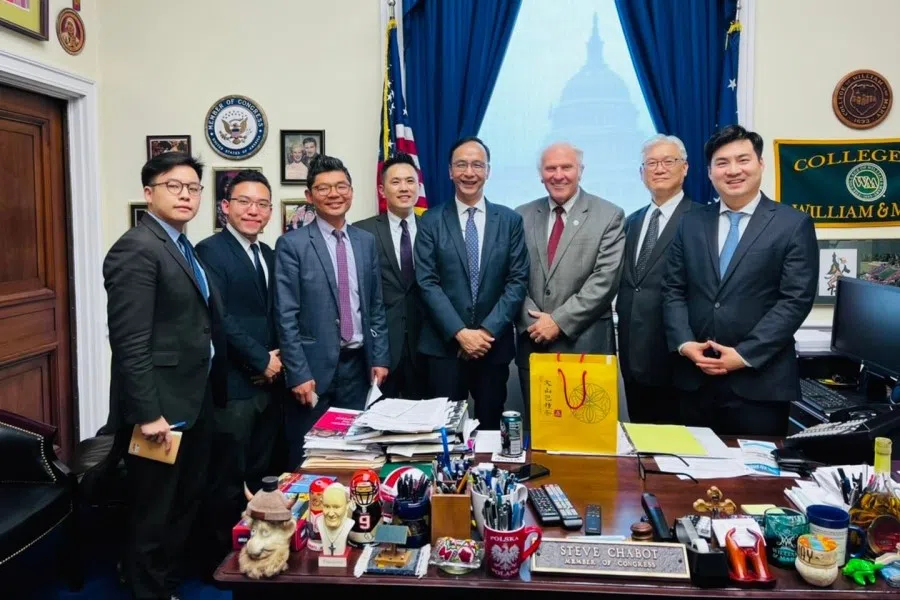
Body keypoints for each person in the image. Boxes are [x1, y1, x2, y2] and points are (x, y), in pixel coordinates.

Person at [103, 152, 227, 600]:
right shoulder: (136, 247)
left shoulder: (178, 243)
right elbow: (130, 342)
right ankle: (145, 590)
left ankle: (164, 583)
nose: (186, 195)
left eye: (193, 188)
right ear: (149, 192)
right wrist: (148, 413)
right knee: (153, 511)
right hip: (161, 410)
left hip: (192, 399)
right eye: (174, 186)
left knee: (184, 501)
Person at [662, 125, 818, 436]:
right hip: (695, 380)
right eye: (722, 163)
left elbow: (795, 300)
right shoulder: (690, 223)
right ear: (709, 173)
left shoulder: (793, 224)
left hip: (760, 384)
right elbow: (673, 290)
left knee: (757, 482)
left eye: (743, 160)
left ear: (760, 164)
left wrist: (744, 355)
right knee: (690, 478)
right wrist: (684, 343)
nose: (733, 170)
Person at [274, 155, 390, 468]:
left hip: (358, 368)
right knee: (310, 460)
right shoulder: (292, 245)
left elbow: (375, 305)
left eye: (341, 186)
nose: (334, 194)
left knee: (353, 457)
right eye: (323, 189)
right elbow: (285, 316)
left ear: (351, 191)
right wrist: (297, 372)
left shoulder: (365, 242)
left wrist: (379, 356)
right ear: (309, 197)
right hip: (312, 373)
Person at [194, 170, 282, 558]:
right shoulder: (210, 251)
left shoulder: (268, 254)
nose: (254, 210)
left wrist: (276, 360)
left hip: (269, 387)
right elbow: (219, 318)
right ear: (225, 207)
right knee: (226, 479)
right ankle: (220, 561)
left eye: (262, 204)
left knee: (260, 473)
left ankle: (257, 553)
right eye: (244, 202)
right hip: (233, 387)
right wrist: (261, 359)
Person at [415, 136, 529, 429]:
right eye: (461, 165)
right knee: (443, 433)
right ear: (450, 171)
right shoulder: (430, 220)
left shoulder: (510, 221)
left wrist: (485, 332)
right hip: (444, 349)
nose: (469, 172)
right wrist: (460, 333)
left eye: (477, 165)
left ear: (488, 171)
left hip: (493, 347)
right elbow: (427, 282)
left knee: (491, 429)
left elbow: (517, 281)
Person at [515, 142, 625, 431]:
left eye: (567, 167)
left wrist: (559, 321)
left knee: (587, 437)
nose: (559, 175)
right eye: (551, 168)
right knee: (541, 436)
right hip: (534, 343)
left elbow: (605, 280)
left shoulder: (609, 215)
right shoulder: (521, 216)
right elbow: (511, 276)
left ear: (581, 171)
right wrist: (534, 323)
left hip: (585, 345)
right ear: (541, 175)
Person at [617, 135, 694, 424]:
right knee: (642, 443)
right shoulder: (632, 221)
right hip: (633, 353)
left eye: (668, 161)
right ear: (641, 173)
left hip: (677, 356)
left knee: (677, 448)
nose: (659, 169)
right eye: (651, 163)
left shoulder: (701, 219)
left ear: (685, 168)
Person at [355, 153, 426, 399]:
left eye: (410, 181)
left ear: (418, 186)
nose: (404, 188)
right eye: (396, 182)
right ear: (382, 190)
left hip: (426, 348)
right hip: (382, 351)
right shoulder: (362, 232)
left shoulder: (434, 228)